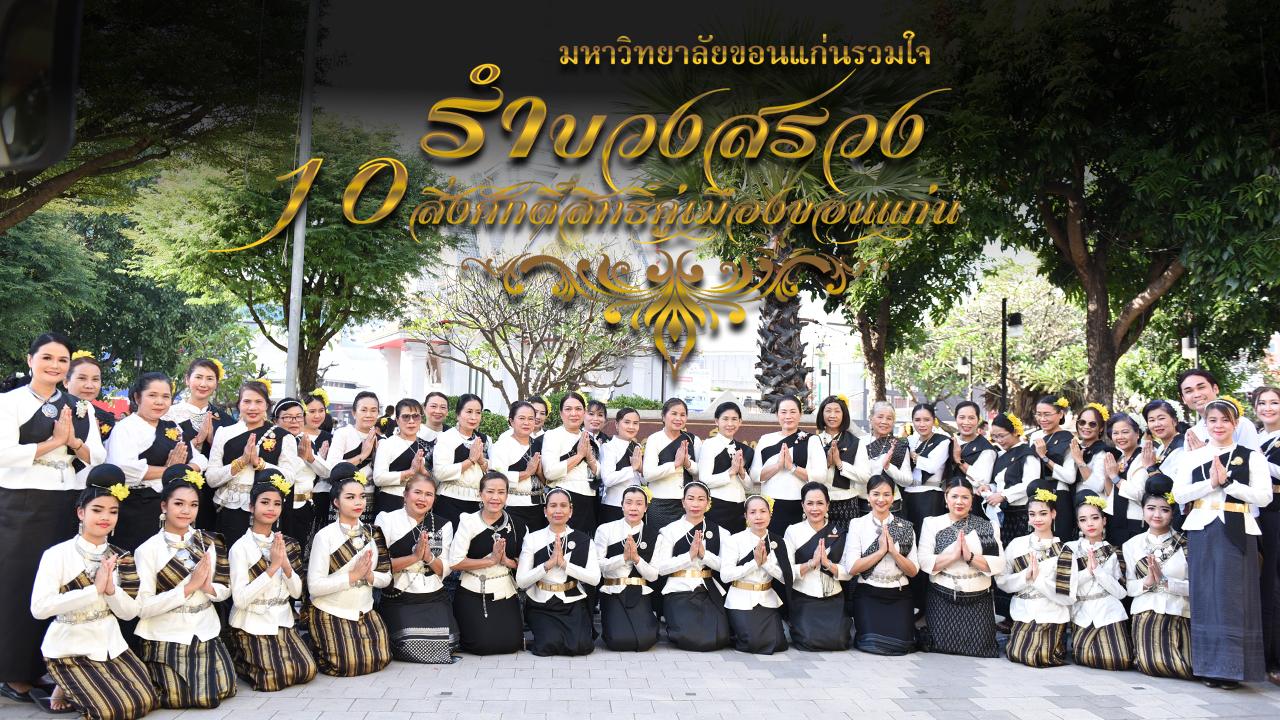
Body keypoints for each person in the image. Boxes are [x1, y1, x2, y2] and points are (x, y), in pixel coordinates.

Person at [30, 464, 159, 719]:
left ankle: (74, 688)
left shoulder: (121, 557)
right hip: (70, 647)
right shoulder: (57, 554)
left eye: (113, 511)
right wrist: (94, 590)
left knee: (145, 701)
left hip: (109, 643)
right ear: (81, 512)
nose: (105, 517)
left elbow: (129, 613)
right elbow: (39, 608)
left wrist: (110, 590)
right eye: (97, 510)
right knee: (112, 710)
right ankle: (63, 684)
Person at [1173, 397, 1271, 687]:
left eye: (1225, 420)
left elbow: (1264, 497)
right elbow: (1179, 494)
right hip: (1202, 527)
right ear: (1205, 424)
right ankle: (1208, 668)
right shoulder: (1192, 457)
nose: (1219, 425)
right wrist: (1211, 483)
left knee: (1234, 597)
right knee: (1205, 596)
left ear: (1236, 423)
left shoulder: (1251, 456)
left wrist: (1229, 484)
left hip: (1237, 528)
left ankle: (1233, 670)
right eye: (1212, 420)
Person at [133, 467, 236, 708]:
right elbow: (143, 608)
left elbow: (225, 589)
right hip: (166, 634)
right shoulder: (147, 550)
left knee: (223, 690)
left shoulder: (208, 541)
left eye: (193, 505)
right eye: (178, 504)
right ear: (164, 506)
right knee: (191, 698)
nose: (186, 511)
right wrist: (188, 588)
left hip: (205, 630)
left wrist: (207, 586)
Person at [225, 473, 316, 691]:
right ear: (251, 507)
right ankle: (241, 660)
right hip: (251, 622)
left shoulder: (285, 543)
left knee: (307, 670)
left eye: (277, 504)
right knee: (271, 680)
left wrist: (285, 565)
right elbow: (240, 600)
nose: (271, 509)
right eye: (265, 502)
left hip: (281, 620)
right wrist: (272, 568)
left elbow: (296, 593)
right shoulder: (240, 548)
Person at [304, 469, 392, 676]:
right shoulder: (325, 536)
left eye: (362, 497)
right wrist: (353, 576)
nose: (358, 502)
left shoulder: (373, 533)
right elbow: (314, 586)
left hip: (364, 609)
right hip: (331, 610)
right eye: (350, 497)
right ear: (336, 502)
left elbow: (386, 577)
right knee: (347, 665)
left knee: (380, 658)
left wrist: (369, 576)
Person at [106, 373, 206, 552]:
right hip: (137, 507)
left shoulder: (172, 426)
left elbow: (200, 460)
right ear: (137, 397)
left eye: (165, 397)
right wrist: (169, 470)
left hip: (171, 509)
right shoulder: (125, 428)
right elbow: (123, 469)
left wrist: (181, 469)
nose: (159, 402)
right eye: (152, 395)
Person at [375, 474, 457, 663]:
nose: (422, 499)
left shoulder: (443, 524)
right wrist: (414, 557)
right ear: (405, 495)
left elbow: (444, 569)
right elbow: (379, 566)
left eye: (429, 494)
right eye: (417, 492)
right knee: (409, 645)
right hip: (399, 594)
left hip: (433, 594)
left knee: (449, 644)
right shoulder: (387, 519)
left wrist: (428, 557)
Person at [918, 477, 1004, 658]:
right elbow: (924, 561)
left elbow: (998, 564)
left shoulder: (988, 526)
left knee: (983, 649)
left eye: (965, 497)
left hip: (978, 597)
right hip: (942, 595)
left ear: (972, 500)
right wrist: (953, 556)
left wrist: (970, 557)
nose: (959, 502)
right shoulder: (932, 523)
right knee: (938, 645)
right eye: (954, 496)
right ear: (946, 498)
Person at [206, 380, 298, 542]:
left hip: (267, 510)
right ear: (239, 404)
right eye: (247, 401)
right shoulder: (224, 433)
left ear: (267, 405)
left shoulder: (283, 437)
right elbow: (211, 479)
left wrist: (259, 463)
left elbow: (289, 478)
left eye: (258, 402)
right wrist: (240, 462)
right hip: (229, 509)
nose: (252, 407)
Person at [995, 481, 1073, 668]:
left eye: (1043, 513)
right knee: (1018, 654)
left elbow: (1067, 596)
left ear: (1053, 514)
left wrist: (1038, 580)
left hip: (1051, 614)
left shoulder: (1064, 550)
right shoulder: (1017, 544)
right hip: (1022, 612)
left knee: (1038, 657)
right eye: (1032, 514)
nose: (1038, 519)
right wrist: (1024, 577)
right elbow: (1001, 581)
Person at [446, 471, 525, 655]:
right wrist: (490, 560)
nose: (495, 497)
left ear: (507, 495)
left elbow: (525, 564)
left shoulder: (517, 524)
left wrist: (505, 561)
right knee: (481, 645)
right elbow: (455, 562)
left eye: (501, 492)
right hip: (473, 589)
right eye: (490, 491)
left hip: (505, 589)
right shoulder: (468, 521)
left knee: (511, 644)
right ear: (480, 494)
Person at [1122, 475, 1192, 680]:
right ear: (1143, 510)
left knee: (1187, 667)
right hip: (1146, 612)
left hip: (1178, 611)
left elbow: (1196, 587)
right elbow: (1129, 588)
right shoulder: (1131, 545)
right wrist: (1147, 582)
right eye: (1151, 508)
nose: (1157, 515)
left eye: (1164, 509)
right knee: (1152, 664)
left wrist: (1166, 582)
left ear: (1173, 513)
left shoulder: (1185, 544)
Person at [516, 487, 601, 656]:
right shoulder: (533, 539)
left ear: (571, 511)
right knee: (548, 645)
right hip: (541, 602)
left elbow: (595, 578)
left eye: (563, 506)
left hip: (572, 600)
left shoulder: (584, 540)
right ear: (545, 511)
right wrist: (547, 565)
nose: (558, 510)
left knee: (581, 646)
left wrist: (563, 564)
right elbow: (521, 581)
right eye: (553, 505)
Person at [842, 474, 919, 655]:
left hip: (899, 593)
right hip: (868, 592)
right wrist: (880, 551)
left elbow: (913, 571)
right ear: (868, 497)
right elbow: (852, 568)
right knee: (870, 643)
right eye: (876, 494)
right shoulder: (857, 524)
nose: (881, 499)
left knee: (901, 645)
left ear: (893, 497)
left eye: (886, 494)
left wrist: (894, 552)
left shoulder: (906, 527)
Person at [653, 481, 729, 651]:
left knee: (721, 637)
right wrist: (689, 556)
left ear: (708, 503)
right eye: (691, 498)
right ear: (683, 502)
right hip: (679, 590)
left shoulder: (721, 532)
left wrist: (704, 555)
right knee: (690, 638)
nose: (695, 504)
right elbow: (661, 568)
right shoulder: (669, 531)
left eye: (701, 499)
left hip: (708, 589)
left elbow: (726, 568)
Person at [1065, 490, 1132, 671]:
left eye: (1095, 518)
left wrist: (1099, 572)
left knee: (1120, 660)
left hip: (1109, 611)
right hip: (1082, 612)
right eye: (1083, 519)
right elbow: (1066, 587)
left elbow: (1121, 592)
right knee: (1083, 657)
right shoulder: (1070, 548)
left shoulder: (1115, 552)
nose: (1090, 524)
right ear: (1078, 524)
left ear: (1104, 520)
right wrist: (1088, 572)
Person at [166, 359, 234, 531]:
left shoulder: (226, 420)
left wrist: (212, 441)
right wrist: (196, 441)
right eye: (198, 377)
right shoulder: (169, 415)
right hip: (175, 488)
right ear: (187, 380)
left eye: (210, 379)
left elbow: (231, 459)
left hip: (211, 494)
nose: (203, 384)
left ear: (216, 383)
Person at [987, 412, 1042, 621]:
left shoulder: (1027, 454)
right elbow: (999, 483)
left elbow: (1030, 483)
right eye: (995, 437)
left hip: (1021, 515)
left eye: (1002, 436)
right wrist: (989, 489)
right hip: (1005, 515)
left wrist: (1004, 495)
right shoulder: (1002, 456)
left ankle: (1022, 615)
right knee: (1006, 562)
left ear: (1015, 432)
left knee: (1021, 561)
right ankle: (1006, 614)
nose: (999, 441)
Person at [720, 495, 792, 654]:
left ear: (770, 514)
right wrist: (754, 563)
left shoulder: (779, 542)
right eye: (753, 512)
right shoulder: (734, 541)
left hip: (767, 598)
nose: (758, 516)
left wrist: (766, 564)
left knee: (779, 643)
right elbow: (725, 575)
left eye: (763, 511)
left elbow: (786, 578)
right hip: (741, 598)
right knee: (753, 642)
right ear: (746, 516)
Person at [784, 482, 852, 651]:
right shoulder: (793, 531)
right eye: (810, 503)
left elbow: (849, 571)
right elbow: (786, 572)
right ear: (803, 505)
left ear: (828, 505)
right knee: (808, 641)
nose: (815, 508)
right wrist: (811, 564)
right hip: (804, 596)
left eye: (820, 503)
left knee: (839, 641)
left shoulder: (839, 532)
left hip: (833, 596)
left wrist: (828, 564)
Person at [593, 485, 660, 651]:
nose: (633, 508)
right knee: (618, 640)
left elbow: (653, 576)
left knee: (646, 640)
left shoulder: (654, 535)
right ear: (621, 505)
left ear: (646, 508)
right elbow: (598, 565)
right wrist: (622, 558)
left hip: (639, 591)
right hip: (613, 590)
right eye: (629, 502)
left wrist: (637, 559)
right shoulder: (605, 529)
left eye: (639, 503)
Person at [754, 395, 827, 534]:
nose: (788, 416)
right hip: (770, 505)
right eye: (783, 412)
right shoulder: (765, 440)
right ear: (777, 414)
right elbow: (755, 475)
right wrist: (778, 466)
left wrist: (791, 467)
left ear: (800, 414)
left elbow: (821, 476)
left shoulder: (811, 440)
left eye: (793, 412)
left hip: (800, 504)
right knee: (772, 544)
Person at [539, 392, 600, 533]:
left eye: (578, 409)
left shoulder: (589, 438)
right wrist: (579, 456)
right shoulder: (553, 436)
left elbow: (598, 473)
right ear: (561, 413)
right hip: (562, 498)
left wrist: (590, 458)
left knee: (584, 542)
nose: (574, 413)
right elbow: (550, 472)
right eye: (568, 409)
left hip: (589, 499)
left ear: (584, 413)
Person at [273, 397, 326, 543]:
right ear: (275, 421)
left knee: (300, 548)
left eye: (298, 416)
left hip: (306, 505)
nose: (294, 421)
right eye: (287, 417)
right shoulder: (273, 444)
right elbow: (287, 476)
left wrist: (310, 458)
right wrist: (302, 459)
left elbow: (327, 472)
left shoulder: (306, 440)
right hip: (284, 507)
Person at [643, 398, 702, 530]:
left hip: (686, 503)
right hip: (659, 502)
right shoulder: (655, 439)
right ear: (664, 416)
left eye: (682, 415)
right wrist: (675, 464)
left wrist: (687, 463)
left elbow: (700, 473)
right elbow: (648, 474)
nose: (678, 418)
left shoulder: (693, 440)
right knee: (658, 540)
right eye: (674, 414)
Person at [323, 390, 380, 525]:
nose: (368, 415)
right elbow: (332, 468)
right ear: (354, 413)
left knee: (367, 536)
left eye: (373, 410)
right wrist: (363, 455)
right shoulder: (343, 434)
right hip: (345, 498)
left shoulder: (381, 439)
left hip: (370, 499)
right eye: (363, 410)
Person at [432, 394, 489, 527]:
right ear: (458, 414)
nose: (474, 417)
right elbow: (440, 472)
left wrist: (481, 461)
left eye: (478, 412)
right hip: (450, 501)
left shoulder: (484, 440)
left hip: (477, 503)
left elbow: (492, 472)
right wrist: (470, 460)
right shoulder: (446, 438)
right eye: (469, 411)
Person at [698, 401, 755, 534]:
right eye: (725, 419)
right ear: (716, 421)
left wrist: (741, 472)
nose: (730, 424)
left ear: (740, 422)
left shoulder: (744, 449)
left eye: (734, 419)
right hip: (717, 507)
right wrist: (731, 472)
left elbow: (749, 487)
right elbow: (704, 480)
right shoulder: (709, 445)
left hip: (740, 508)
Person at [488, 400, 545, 532]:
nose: (527, 422)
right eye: (522, 418)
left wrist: (539, 472)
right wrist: (526, 473)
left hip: (538, 506)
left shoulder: (540, 445)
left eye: (531, 419)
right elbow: (495, 478)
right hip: (512, 505)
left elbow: (547, 479)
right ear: (511, 421)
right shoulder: (501, 446)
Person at [1255, 386, 1280, 685]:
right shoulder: (1256, 437)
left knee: (1274, 583)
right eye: (1262, 403)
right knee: (1263, 584)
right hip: (1256, 514)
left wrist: (1260, 461)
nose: (1268, 408)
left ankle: (1275, 659)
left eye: (1274, 402)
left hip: (1276, 514)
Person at [371, 398, 433, 516]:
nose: (411, 421)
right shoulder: (387, 444)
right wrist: (410, 472)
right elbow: (378, 478)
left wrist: (423, 471)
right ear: (397, 420)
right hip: (390, 501)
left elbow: (433, 481)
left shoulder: (426, 446)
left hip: (419, 503)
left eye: (416, 416)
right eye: (405, 417)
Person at [816, 395, 870, 529]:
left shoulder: (856, 442)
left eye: (837, 411)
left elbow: (865, 476)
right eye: (828, 411)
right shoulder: (814, 441)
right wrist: (827, 463)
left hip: (847, 502)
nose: (832, 415)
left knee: (846, 539)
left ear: (844, 414)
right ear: (821, 414)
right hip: (818, 501)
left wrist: (839, 463)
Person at [1029, 396, 1078, 539]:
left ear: (1060, 414)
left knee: (1059, 538)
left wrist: (1045, 458)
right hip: (1036, 494)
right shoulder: (1035, 436)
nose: (1042, 419)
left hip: (1058, 494)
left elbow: (1070, 476)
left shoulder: (1068, 439)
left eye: (1047, 414)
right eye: (1039, 414)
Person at [1180, 369, 1260, 450]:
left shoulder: (1241, 424)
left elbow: (1252, 456)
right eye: (1189, 391)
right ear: (1183, 399)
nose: (1197, 395)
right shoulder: (1193, 433)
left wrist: (1204, 453)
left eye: (1201, 387)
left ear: (1215, 389)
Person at [904, 403, 952, 537]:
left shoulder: (943, 441)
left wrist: (913, 455)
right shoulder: (910, 440)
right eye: (917, 420)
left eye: (926, 420)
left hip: (930, 496)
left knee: (926, 537)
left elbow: (931, 466)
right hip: (907, 494)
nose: (922, 424)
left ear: (933, 420)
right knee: (909, 538)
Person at [64, 351, 119, 453]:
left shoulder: (106, 420)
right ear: (66, 382)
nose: (89, 385)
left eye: (95, 379)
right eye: (82, 378)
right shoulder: (52, 409)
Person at [1104, 413, 1145, 547]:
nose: (1120, 437)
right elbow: (1111, 494)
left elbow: (1138, 494)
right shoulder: (1120, 459)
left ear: (1137, 433)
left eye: (1125, 432)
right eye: (1115, 433)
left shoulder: (1143, 458)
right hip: (1114, 518)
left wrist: (1115, 477)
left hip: (1134, 521)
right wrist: (1108, 476)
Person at [598, 407, 643, 526]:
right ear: (617, 424)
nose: (631, 427)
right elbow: (607, 479)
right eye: (627, 422)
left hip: (635, 507)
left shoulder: (637, 446)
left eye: (635, 423)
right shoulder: (609, 447)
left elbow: (643, 480)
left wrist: (641, 469)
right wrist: (632, 468)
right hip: (614, 505)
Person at [864, 401, 911, 515]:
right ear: (871, 418)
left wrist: (888, 467)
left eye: (889, 418)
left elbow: (907, 481)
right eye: (880, 417)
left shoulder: (898, 445)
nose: (884, 421)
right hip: (863, 505)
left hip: (891, 507)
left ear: (893, 422)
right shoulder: (859, 442)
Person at [302, 389, 333, 537]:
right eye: (312, 411)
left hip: (322, 496)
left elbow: (331, 470)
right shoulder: (294, 436)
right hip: (299, 497)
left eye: (321, 411)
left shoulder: (330, 438)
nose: (317, 415)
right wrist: (319, 458)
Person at [950, 401, 996, 491]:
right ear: (956, 419)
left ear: (978, 420)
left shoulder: (986, 449)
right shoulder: (949, 442)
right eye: (962, 417)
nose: (966, 422)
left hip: (971, 497)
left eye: (971, 418)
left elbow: (982, 480)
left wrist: (958, 459)